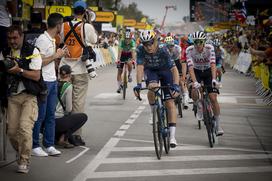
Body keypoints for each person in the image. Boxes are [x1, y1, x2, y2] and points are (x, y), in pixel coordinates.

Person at [0, 25, 42, 173]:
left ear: (22, 36)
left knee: (24, 129)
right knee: (11, 132)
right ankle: (22, 150)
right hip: (12, 97)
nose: (12, 41)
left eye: (15, 38)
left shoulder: (33, 51)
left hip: (29, 95)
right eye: (9, 38)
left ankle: (24, 159)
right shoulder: (4, 51)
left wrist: (20, 70)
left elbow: (36, 76)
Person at [133, 30, 180, 148]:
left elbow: (174, 70)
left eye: (150, 43)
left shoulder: (163, 49)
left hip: (165, 71)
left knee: (170, 102)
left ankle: (173, 136)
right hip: (151, 71)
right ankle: (153, 110)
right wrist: (138, 84)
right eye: (145, 44)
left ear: (155, 41)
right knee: (152, 88)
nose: (148, 47)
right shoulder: (140, 50)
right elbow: (139, 67)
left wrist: (176, 85)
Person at [59, 0, 97, 145]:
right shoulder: (86, 26)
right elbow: (93, 40)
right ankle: (74, 135)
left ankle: (59, 133)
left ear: (73, 11)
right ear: (85, 12)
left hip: (64, 68)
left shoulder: (64, 25)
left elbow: (60, 40)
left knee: (62, 103)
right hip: (80, 69)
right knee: (78, 104)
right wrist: (89, 22)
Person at [32, 13, 68, 157]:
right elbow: (38, 62)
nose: (62, 28)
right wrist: (56, 56)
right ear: (58, 25)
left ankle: (49, 144)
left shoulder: (52, 39)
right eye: (62, 25)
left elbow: (51, 60)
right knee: (40, 115)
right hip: (44, 81)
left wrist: (60, 56)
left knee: (50, 116)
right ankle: (35, 145)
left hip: (52, 80)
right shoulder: (42, 39)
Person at [186, 31, 224, 136]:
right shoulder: (189, 50)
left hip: (208, 71)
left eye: (200, 42)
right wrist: (195, 82)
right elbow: (190, 67)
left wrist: (213, 79)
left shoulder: (210, 48)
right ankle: (198, 105)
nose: (198, 45)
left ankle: (218, 125)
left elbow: (213, 64)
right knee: (194, 90)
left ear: (204, 41)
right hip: (196, 71)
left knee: (213, 98)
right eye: (196, 42)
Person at [55, 65, 88, 148]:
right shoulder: (68, 86)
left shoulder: (53, 83)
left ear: (59, 74)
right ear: (70, 75)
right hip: (59, 120)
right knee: (82, 117)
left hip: (48, 121)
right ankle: (63, 138)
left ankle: (56, 136)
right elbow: (69, 109)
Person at [165, 36, 189, 109]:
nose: (170, 48)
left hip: (178, 62)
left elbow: (182, 61)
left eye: (172, 46)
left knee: (181, 81)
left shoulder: (178, 49)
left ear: (174, 45)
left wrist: (183, 75)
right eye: (169, 46)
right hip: (168, 63)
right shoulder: (164, 50)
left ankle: (185, 97)